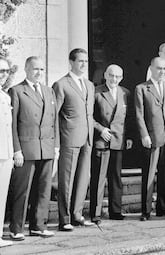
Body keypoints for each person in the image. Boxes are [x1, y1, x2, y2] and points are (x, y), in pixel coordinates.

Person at [8, 57, 58, 241]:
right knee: (23, 190)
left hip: (46, 147)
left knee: (44, 189)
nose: (39, 72)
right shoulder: (17, 91)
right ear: (26, 69)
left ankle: (38, 225)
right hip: (26, 149)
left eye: (42, 69)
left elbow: (55, 122)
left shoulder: (49, 91)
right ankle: (16, 228)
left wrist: (56, 146)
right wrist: (16, 150)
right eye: (35, 69)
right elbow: (12, 124)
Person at [53, 48, 95, 231]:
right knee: (67, 179)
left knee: (83, 178)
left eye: (86, 61)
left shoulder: (89, 85)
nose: (84, 64)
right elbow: (54, 115)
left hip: (87, 137)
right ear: (71, 62)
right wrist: (56, 142)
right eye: (80, 61)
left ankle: (77, 214)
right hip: (69, 137)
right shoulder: (61, 84)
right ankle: (65, 218)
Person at [136, 57, 165, 221]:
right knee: (149, 174)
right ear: (151, 69)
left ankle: (163, 208)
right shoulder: (142, 88)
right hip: (152, 137)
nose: (162, 71)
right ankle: (146, 210)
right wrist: (144, 134)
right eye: (158, 68)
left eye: (164, 69)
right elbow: (139, 115)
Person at [90, 65, 133, 224]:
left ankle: (116, 210)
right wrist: (100, 130)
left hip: (118, 141)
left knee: (116, 178)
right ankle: (96, 213)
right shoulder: (96, 92)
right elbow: (89, 116)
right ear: (105, 75)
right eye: (111, 76)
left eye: (118, 77)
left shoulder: (125, 93)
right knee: (99, 178)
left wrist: (128, 137)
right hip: (102, 141)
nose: (114, 79)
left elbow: (128, 118)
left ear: (121, 78)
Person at [0, 57, 14, 248]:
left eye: (5, 71)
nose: (3, 75)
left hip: (6, 153)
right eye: (0, 71)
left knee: (1, 196)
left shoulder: (5, 97)